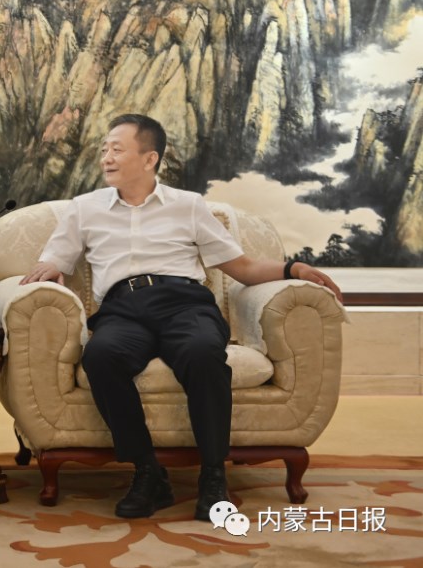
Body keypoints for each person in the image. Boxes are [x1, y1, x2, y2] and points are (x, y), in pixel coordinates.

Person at [20, 113, 342, 522]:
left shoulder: (187, 206)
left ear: (149, 158)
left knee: (203, 353)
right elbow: (54, 260)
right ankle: (148, 473)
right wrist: (47, 272)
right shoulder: (84, 208)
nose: (106, 158)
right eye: (104, 150)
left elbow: (242, 268)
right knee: (101, 357)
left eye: (117, 149)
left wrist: (293, 269)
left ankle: (213, 476)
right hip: (122, 308)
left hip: (184, 304)